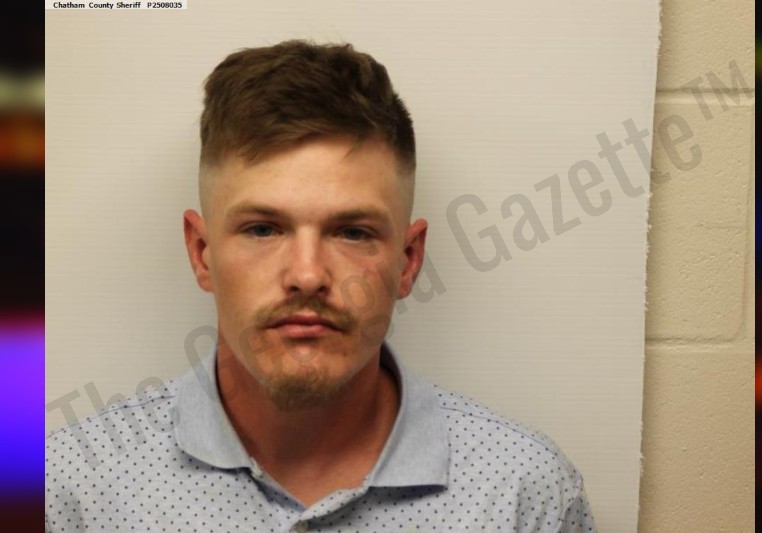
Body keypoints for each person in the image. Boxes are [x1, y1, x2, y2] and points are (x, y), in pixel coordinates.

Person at [46, 40, 596, 532]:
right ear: (201, 252)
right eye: (262, 229)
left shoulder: (523, 494)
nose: (307, 275)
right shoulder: (67, 493)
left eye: (352, 232)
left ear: (408, 261)